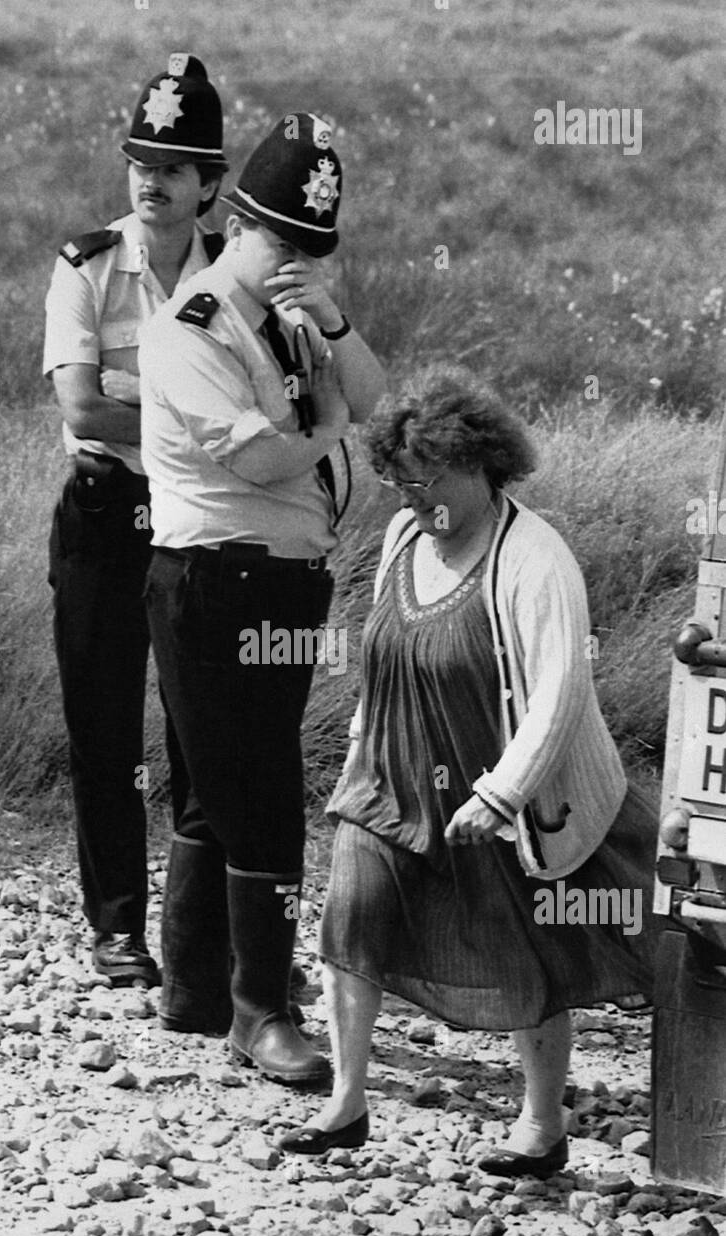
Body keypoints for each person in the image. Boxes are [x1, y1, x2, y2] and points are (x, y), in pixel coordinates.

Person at [280, 363, 661, 1163]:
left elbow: (559, 691)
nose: (416, 504)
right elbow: (385, 660)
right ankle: (347, 1104)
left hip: (499, 788)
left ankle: (541, 1124)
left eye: (429, 485)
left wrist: (502, 792)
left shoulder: (535, 557)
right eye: (401, 486)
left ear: (484, 465)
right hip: (391, 774)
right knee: (349, 921)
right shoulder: (401, 537)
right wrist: (356, 756)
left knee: (521, 949)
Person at [139, 113, 385, 1083]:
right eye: (280, 238)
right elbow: (256, 452)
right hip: (214, 580)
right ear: (236, 221)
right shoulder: (191, 326)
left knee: (211, 789)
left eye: (307, 245)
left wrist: (330, 319)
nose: (292, 258)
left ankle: (195, 993)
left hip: (283, 583)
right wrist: (323, 423)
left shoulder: (291, 315)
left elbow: (373, 395)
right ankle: (262, 1010)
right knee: (262, 791)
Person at [44, 55, 227, 984]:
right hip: (105, 512)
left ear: (209, 185)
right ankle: (116, 928)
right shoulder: (86, 264)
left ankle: (204, 940)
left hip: (196, 522)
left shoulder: (234, 276)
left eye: (173, 169)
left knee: (200, 731)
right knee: (104, 730)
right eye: (139, 163)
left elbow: (270, 414)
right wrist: (193, 419)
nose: (151, 182)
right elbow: (82, 410)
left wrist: (137, 398)